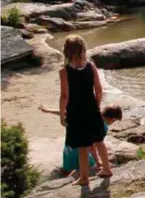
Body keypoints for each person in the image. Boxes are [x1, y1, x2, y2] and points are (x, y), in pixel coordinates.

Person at [60, 34, 112, 186]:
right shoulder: (91, 67)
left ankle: (84, 177)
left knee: (82, 145)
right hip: (92, 110)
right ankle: (107, 169)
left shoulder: (64, 72)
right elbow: (99, 90)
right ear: (83, 49)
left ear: (66, 52)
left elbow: (64, 96)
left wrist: (62, 115)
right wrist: (96, 105)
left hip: (75, 113)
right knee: (99, 140)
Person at [38, 104, 123, 177]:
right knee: (81, 169)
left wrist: (48, 110)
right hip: (80, 151)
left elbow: (66, 113)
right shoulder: (102, 127)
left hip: (69, 148)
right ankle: (68, 184)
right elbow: (92, 146)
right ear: (113, 119)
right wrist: (98, 162)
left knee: (68, 169)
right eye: (114, 121)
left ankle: (65, 179)